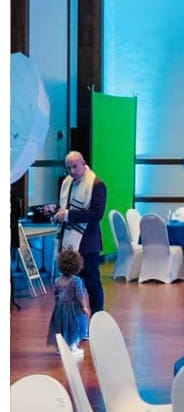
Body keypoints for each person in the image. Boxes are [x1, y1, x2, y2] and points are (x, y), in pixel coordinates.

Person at [53, 150, 106, 315]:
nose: (72, 171)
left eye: (75, 166)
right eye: (68, 168)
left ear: (83, 164)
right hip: (68, 243)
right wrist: (58, 214)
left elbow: (96, 214)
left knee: (92, 284)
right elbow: (63, 206)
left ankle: (98, 318)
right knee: (71, 285)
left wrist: (68, 215)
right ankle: (75, 321)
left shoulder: (96, 184)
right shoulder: (67, 183)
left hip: (87, 244)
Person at [47, 247, 90, 358]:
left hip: (60, 308)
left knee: (60, 327)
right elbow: (79, 295)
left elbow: (56, 295)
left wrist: (58, 304)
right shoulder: (76, 280)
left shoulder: (57, 280)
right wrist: (84, 307)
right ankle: (72, 347)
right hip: (73, 309)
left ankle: (60, 347)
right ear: (77, 265)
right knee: (74, 327)